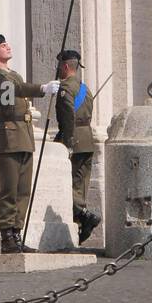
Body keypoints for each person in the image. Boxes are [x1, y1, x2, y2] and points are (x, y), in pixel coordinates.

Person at [0, 34, 59, 253]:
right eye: (2, 45)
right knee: (9, 190)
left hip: (23, 137)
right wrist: (41, 89)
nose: (7, 46)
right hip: (7, 138)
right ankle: (7, 237)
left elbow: (17, 86)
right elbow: (11, 91)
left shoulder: (13, 75)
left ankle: (17, 233)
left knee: (23, 190)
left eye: (7, 43)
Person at [54, 48, 101, 246]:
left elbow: (67, 118)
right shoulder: (84, 88)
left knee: (66, 185)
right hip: (88, 140)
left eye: (59, 66)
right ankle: (80, 223)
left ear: (65, 66)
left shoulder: (65, 88)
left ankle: (84, 215)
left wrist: (67, 142)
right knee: (79, 185)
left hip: (74, 141)